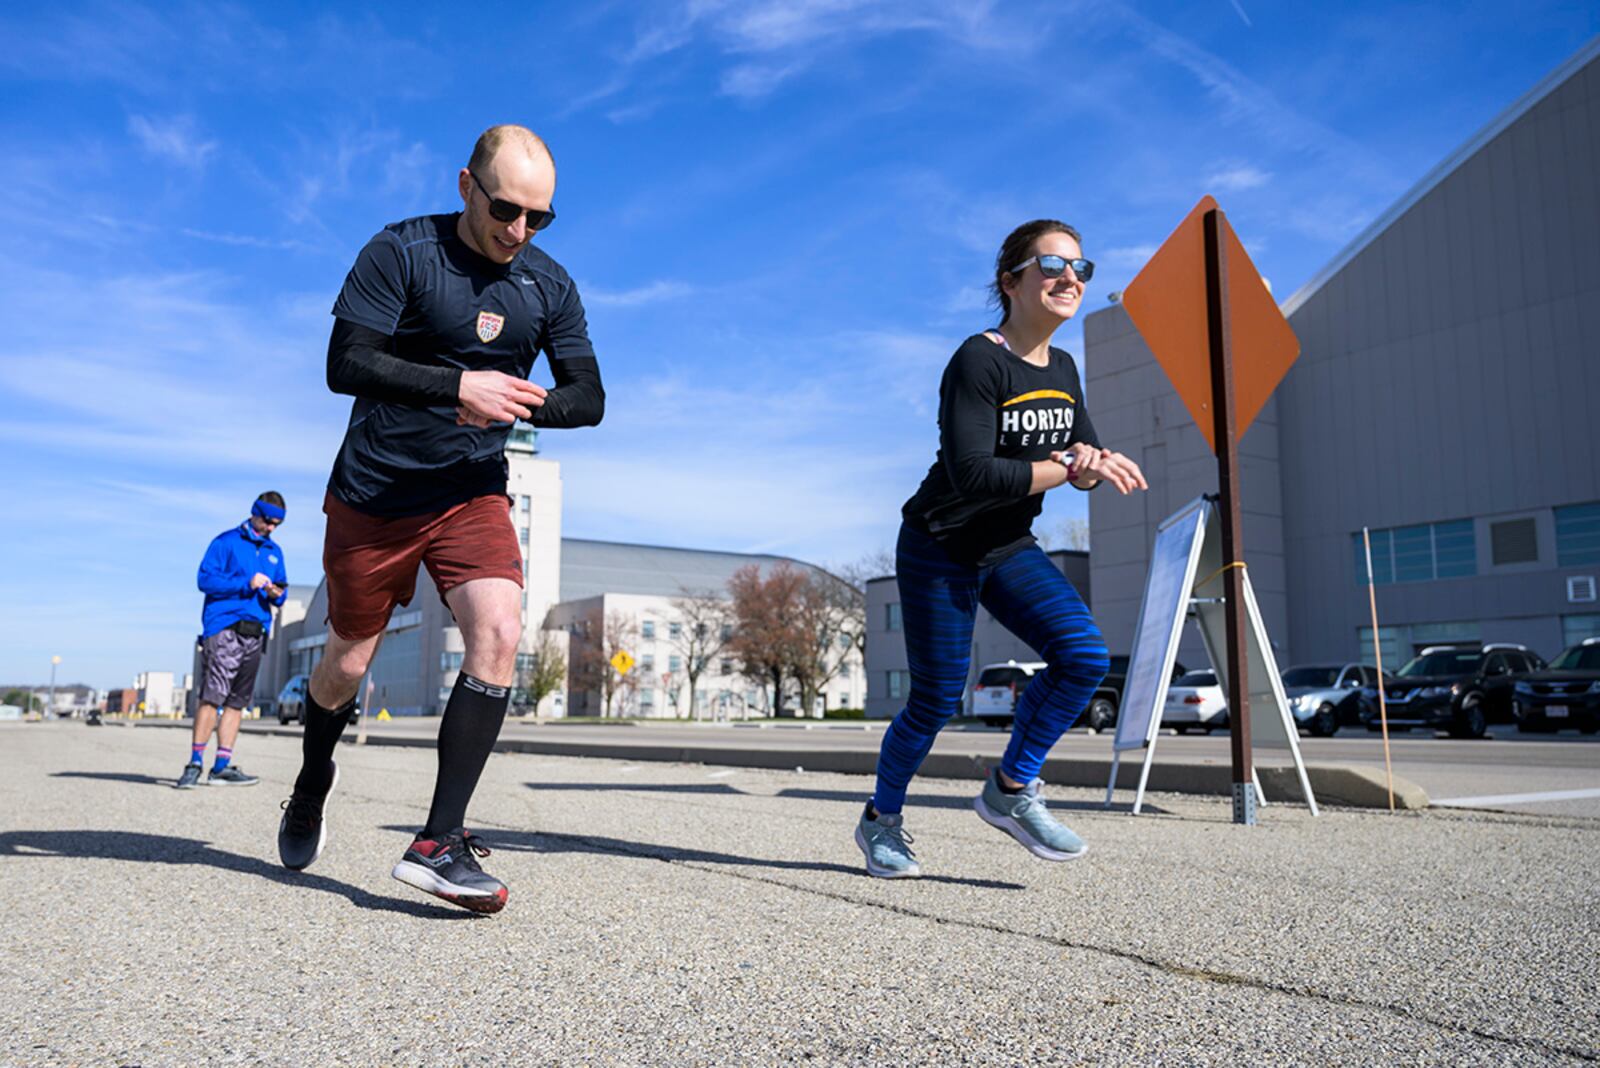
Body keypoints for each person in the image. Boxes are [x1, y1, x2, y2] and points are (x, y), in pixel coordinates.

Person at [276, 125, 603, 914]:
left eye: (540, 218)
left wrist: (520, 405)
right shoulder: (400, 252)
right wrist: (460, 387)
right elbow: (344, 364)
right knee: (344, 667)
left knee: (498, 626)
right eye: (506, 209)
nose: (519, 231)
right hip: (377, 493)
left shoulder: (547, 285)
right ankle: (314, 775)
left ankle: (438, 841)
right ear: (466, 186)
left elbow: (587, 397)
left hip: (470, 486)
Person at [856, 220, 1148, 878]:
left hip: (1007, 546)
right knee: (934, 698)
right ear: (1010, 281)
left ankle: (1011, 789)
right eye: (1052, 264)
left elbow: (1081, 453)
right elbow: (975, 475)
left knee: (1083, 656)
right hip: (939, 544)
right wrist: (1070, 469)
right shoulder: (978, 359)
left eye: (1080, 268)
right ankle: (882, 821)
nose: (1069, 278)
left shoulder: (1065, 368)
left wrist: (1098, 462)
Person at [179, 492, 289, 790]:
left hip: (256, 630)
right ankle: (194, 764)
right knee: (213, 696)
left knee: (237, 702)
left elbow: (283, 588)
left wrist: (275, 593)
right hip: (225, 626)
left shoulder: (274, 551)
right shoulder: (226, 542)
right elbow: (205, 580)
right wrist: (245, 583)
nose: (272, 528)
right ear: (255, 513)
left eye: (277, 524)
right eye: (268, 521)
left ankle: (221, 767)